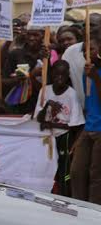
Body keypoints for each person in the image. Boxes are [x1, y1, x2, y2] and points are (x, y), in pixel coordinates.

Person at [35, 60, 85, 195]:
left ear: (67, 75)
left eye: (63, 75)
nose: (59, 78)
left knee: (63, 168)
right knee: (46, 167)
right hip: (47, 137)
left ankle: (65, 194)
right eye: (56, 74)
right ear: (52, 74)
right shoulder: (45, 90)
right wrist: (48, 104)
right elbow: (39, 118)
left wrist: (51, 124)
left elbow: (73, 126)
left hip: (64, 136)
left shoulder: (71, 94)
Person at [70, 38, 101, 204]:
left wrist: (96, 77)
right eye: (84, 51)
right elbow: (90, 103)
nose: (87, 54)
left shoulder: (92, 73)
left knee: (96, 175)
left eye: (92, 49)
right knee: (77, 171)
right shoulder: (86, 72)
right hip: (89, 127)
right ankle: (79, 205)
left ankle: (94, 212)